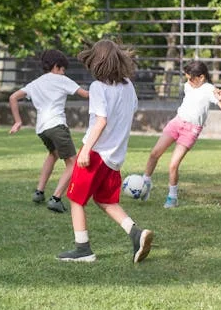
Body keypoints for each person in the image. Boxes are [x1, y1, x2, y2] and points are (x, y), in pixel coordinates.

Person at [57, 39, 154, 263]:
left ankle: (83, 249)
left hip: (96, 153)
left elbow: (101, 121)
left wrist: (85, 150)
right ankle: (137, 234)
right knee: (105, 200)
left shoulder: (98, 87)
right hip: (115, 157)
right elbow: (131, 111)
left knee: (76, 199)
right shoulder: (128, 86)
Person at [8, 49, 89, 213]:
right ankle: (56, 198)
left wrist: (18, 121)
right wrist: (104, 89)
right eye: (63, 68)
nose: (63, 72)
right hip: (57, 125)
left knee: (53, 154)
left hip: (42, 128)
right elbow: (86, 95)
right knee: (73, 164)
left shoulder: (36, 83)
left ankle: (39, 192)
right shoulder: (62, 80)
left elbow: (13, 97)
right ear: (57, 66)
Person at [141, 60, 221, 208]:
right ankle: (145, 184)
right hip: (177, 122)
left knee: (173, 165)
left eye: (191, 78)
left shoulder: (210, 90)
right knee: (154, 154)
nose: (188, 81)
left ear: (201, 77)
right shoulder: (188, 86)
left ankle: (172, 197)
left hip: (192, 129)